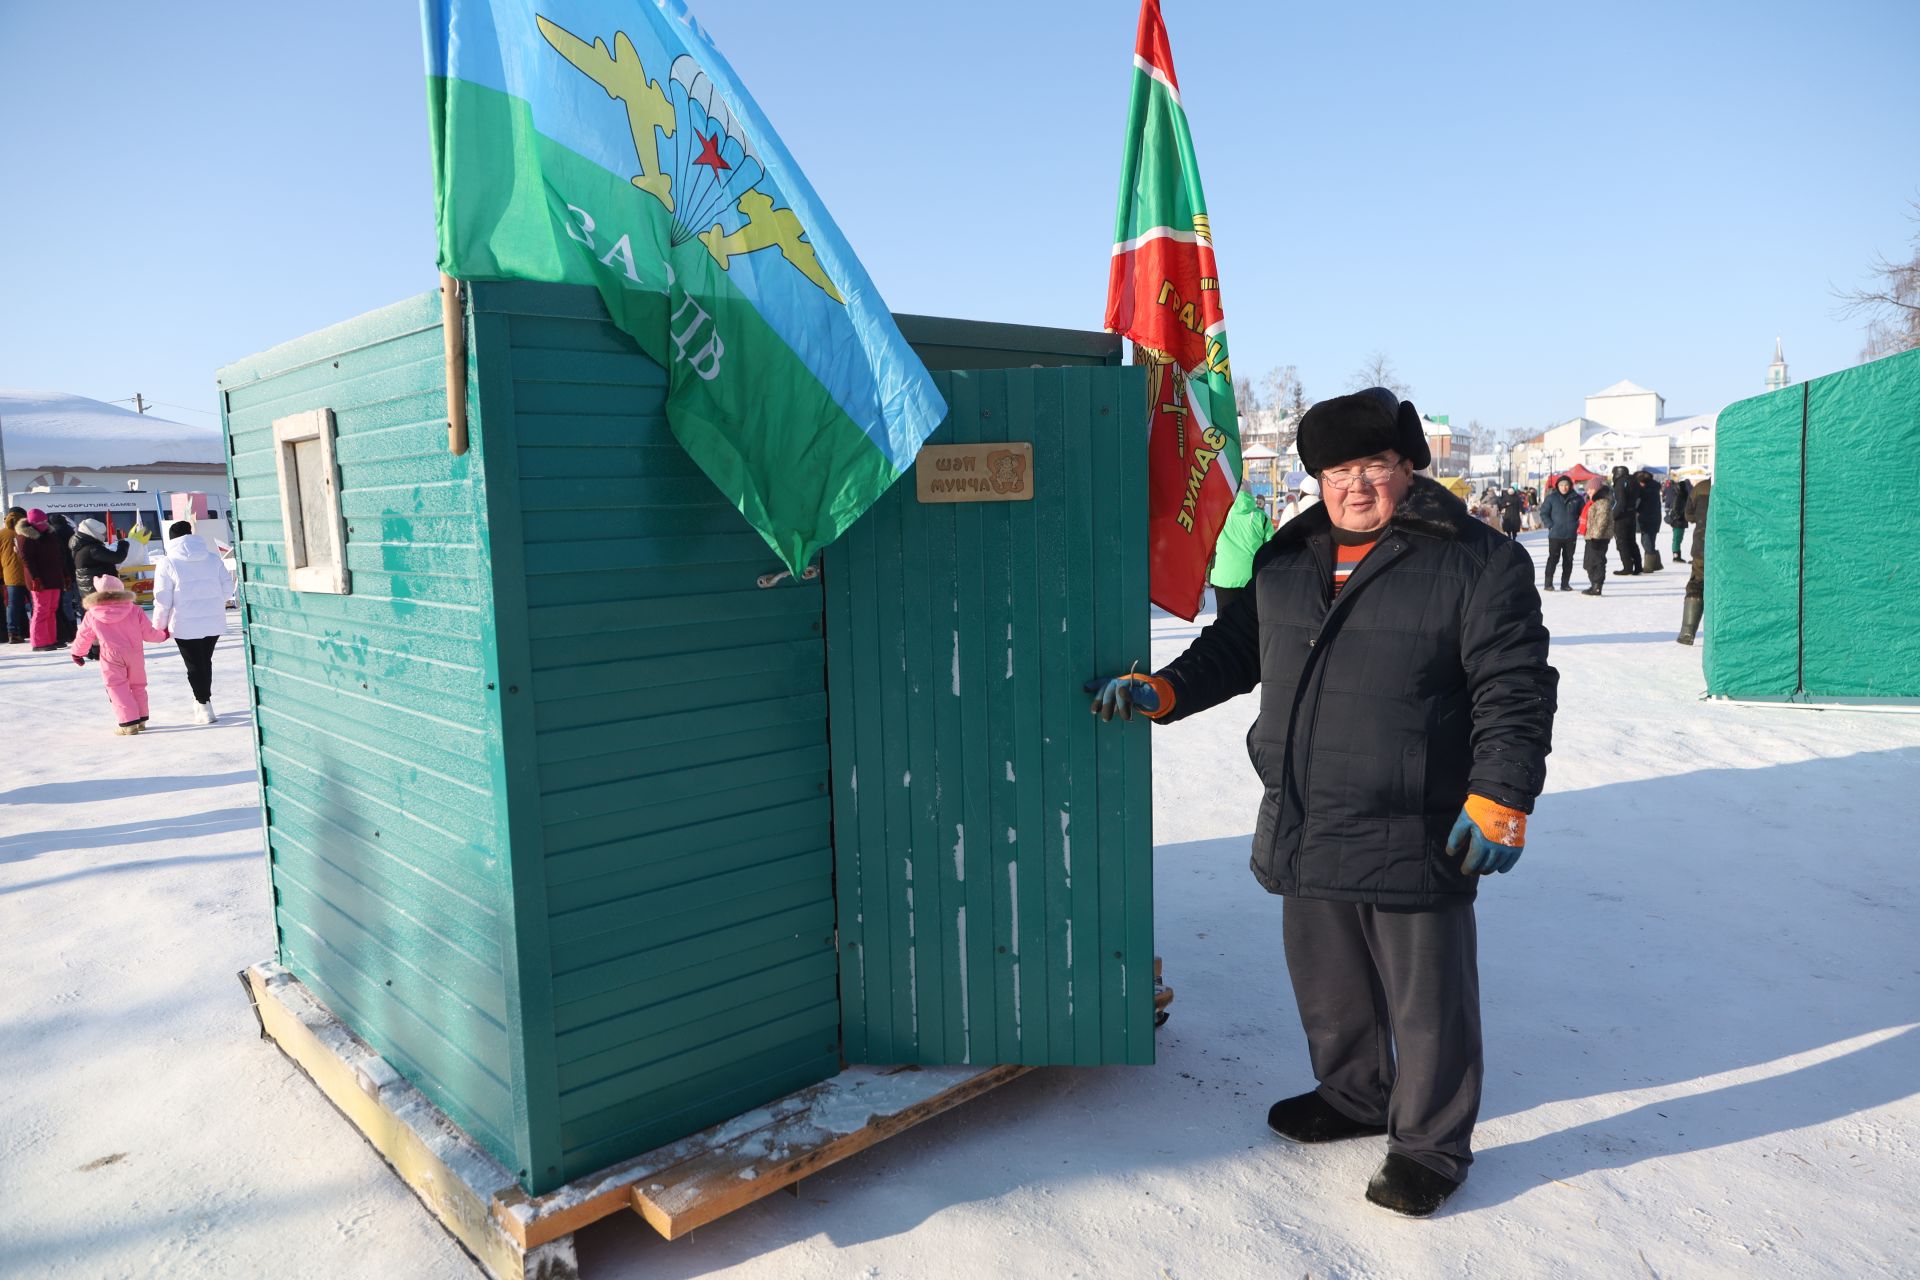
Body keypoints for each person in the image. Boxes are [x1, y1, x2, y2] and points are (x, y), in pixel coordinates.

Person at [1087, 388, 1556, 1218]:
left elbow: (1515, 689)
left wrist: (1502, 795)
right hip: (1306, 809)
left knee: (1427, 999)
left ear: (1410, 467)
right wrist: (1165, 689)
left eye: (1374, 465)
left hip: (1417, 817)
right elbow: (1237, 649)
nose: (1356, 485)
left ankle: (1430, 1145)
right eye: (1337, 469)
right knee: (1330, 984)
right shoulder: (1288, 558)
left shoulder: (1478, 560)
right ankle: (1353, 1096)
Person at [152, 520, 237, 723]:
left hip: (184, 623)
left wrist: (158, 627)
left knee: (194, 665)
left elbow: (163, 599)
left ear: (171, 539)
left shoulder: (167, 562)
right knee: (204, 662)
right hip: (213, 621)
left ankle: (203, 704)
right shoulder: (212, 558)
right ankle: (203, 701)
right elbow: (228, 589)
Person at [70, 574, 170, 734]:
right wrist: (163, 635)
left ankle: (129, 723)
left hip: (111, 655)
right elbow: (149, 633)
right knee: (138, 685)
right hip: (135, 654)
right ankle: (142, 719)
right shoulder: (134, 610)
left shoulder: (93, 614)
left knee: (116, 687)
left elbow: (84, 635)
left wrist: (77, 653)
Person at [15, 509, 74, 651]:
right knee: (41, 610)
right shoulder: (25, 537)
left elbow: (60, 557)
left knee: (52, 610)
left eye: (44, 521)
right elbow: (27, 560)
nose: (43, 524)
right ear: (32, 523)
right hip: (40, 580)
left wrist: (65, 574)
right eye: (39, 522)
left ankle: (51, 639)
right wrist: (35, 578)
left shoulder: (50, 534)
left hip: (54, 577)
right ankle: (39, 642)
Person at [1208, 489, 1274, 614]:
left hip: (1223, 577)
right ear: (1250, 494)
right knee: (1250, 620)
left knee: (1224, 620)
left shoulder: (1218, 514)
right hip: (1252, 577)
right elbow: (1271, 548)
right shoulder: (1262, 518)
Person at [1677, 478, 1711, 645]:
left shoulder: (1701, 487)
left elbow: (1689, 515)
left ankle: (1687, 631)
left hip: (1703, 544)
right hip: (1733, 548)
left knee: (1697, 584)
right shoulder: (1739, 483)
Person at [1539, 475, 1584, 591]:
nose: (1564, 487)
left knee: (1568, 560)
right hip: (1555, 535)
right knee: (1553, 559)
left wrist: (1577, 525)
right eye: (1561, 485)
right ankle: (1548, 583)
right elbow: (1544, 513)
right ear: (1557, 486)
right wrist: (1550, 525)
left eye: (1566, 485)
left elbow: (1584, 514)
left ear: (1570, 486)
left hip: (1570, 535)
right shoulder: (1551, 498)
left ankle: (1565, 583)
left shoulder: (1577, 498)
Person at [45, 512, 81, 644]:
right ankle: (87, 629)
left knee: (66, 604)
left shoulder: (54, 535)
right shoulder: (72, 532)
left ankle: (72, 630)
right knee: (81, 602)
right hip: (77, 571)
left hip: (64, 573)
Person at [71, 517, 130, 597]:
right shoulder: (92, 548)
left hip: (90, 588)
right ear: (93, 532)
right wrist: (122, 543)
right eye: (102, 533)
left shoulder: (80, 545)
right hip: (97, 590)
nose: (104, 536)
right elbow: (117, 557)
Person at [1580, 476, 1614, 595]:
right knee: (1589, 562)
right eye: (1588, 489)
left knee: (1597, 561)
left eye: (1591, 489)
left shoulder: (1602, 502)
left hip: (1599, 538)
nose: (1588, 491)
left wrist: (1597, 536)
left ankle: (1597, 586)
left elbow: (1602, 520)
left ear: (1598, 490)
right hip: (1591, 536)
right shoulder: (1593, 502)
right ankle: (1593, 584)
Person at [1, 507, 29, 643]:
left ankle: (13, 633)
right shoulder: (27, 532)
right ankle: (33, 630)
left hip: (10, 576)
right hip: (30, 574)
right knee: (36, 604)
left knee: (12, 605)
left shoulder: (2, 534)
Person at [1608, 466, 1641, 575]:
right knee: (1631, 541)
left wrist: (1612, 516)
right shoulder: (1634, 482)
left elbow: (1620, 502)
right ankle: (1638, 565)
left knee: (1622, 542)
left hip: (1622, 517)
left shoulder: (1620, 483)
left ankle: (1627, 567)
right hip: (1631, 515)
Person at [1635, 471, 1665, 571]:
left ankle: (1649, 567)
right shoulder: (1653, 488)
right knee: (1648, 541)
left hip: (1648, 520)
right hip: (1653, 519)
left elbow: (1638, 504)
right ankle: (1656, 564)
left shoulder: (1646, 490)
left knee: (1647, 542)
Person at [1665, 477, 1693, 565]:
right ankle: (1676, 556)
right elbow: (1676, 509)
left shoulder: (1681, 496)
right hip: (1678, 521)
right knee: (1677, 538)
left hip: (1680, 521)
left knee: (1678, 538)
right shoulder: (1679, 497)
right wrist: (1681, 515)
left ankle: (1677, 555)